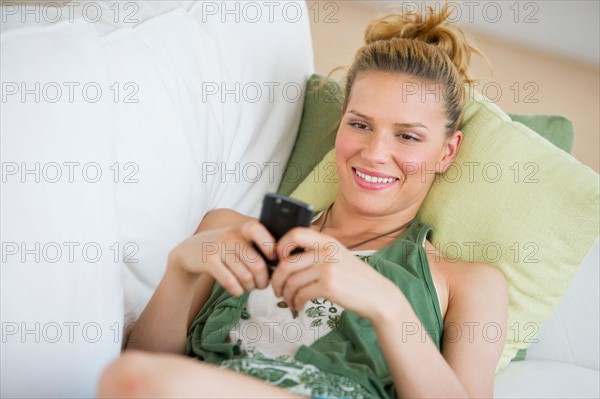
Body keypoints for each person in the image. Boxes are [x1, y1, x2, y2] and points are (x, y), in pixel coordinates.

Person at [98, 5, 508, 398]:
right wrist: (181, 267)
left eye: (408, 136)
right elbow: (143, 370)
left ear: (447, 152)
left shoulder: (467, 282)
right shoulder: (229, 231)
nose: (375, 153)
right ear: (339, 127)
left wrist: (387, 306)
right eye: (360, 125)